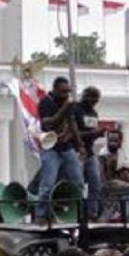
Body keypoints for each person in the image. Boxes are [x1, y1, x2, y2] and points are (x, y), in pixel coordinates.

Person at [35, 77, 84, 223]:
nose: (65, 95)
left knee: (78, 181)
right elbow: (49, 124)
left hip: (66, 146)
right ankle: (41, 215)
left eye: (68, 92)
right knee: (47, 184)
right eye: (63, 92)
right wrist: (65, 108)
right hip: (50, 148)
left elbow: (72, 123)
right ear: (55, 89)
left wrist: (79, 144)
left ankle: (78, 212)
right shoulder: (45, 102)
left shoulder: (67, 103)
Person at [73, 86, 106, 220]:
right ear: (84, 95)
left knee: (95, 182)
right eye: (90, 96)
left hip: (90, 151)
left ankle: (92, 212)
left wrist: (98, 134)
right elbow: (74, 133)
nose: (92, 100)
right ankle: (78, 211)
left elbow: (91, 133)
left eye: (95, 97)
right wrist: (94, 133)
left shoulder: (94, 113)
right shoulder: (75, 109)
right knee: (78, 183)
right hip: (76, 150)